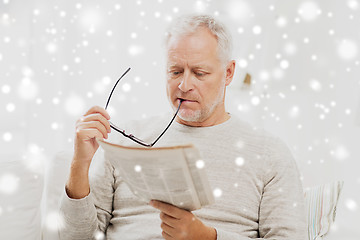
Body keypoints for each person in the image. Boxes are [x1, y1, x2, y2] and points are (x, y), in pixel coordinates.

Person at [59, 14, 307, 240]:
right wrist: (80, 164)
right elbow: (75, 237)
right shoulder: (123, 142)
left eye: (199, 73)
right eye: (175, 71)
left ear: (229, 73)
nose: (184, 85)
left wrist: (208, 237)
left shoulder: (270, 153)